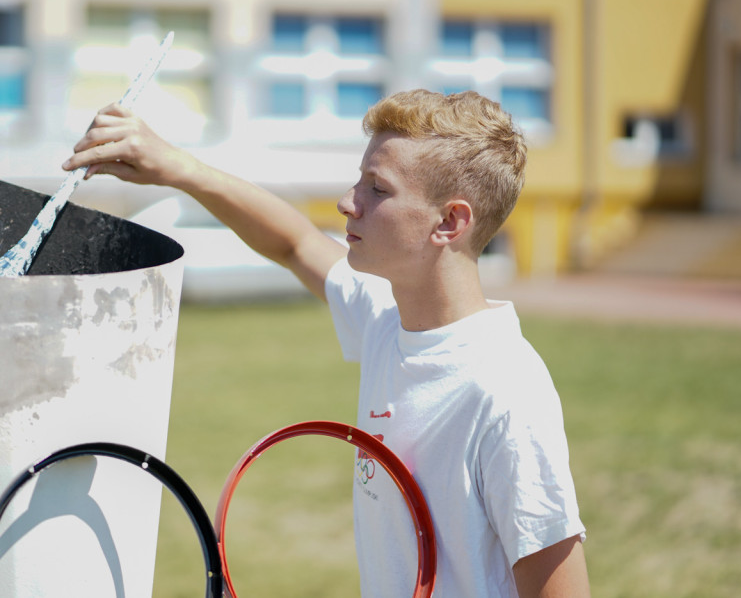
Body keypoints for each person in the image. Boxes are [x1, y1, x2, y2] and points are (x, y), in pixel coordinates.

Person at [63, 89, 590, 597]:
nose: (347, 202)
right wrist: (179, 169)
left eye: (376, 189)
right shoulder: (389, 318)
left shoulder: (505, 394)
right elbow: (294, 243)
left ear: (449, 222)